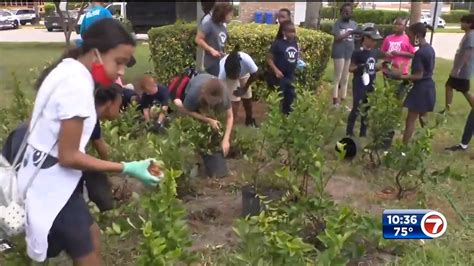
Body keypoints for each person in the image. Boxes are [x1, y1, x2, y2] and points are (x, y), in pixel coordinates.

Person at [17, 19, 159, 264]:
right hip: (53, 190)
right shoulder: (77, 87)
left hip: (45, 180)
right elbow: (69, 156)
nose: (122, 72)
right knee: (88, 255)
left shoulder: (66, 68)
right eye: (119, 62)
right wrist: (127, 167)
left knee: (91, 235)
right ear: (96, 54)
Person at [385, 23, 436, 144]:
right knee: (423, 116)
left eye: (410, 37)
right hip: (429, 86)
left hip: (421, 88)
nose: (409, 40)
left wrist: (399, 76)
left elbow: (418, 75)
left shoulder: (420, 53)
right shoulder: (429, 48)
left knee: (411, 119)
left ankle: (404, 145)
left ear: (417, 36)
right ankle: (426, 141)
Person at [82, 84, 124, 213]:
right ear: (110, 104)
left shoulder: (89, 112)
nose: (119, 110)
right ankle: (107, 210)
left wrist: (106, 167)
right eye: (119, 106)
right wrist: (109, 169)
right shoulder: (89, 117)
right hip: (59, 160)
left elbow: (98, 143)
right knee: (94, 175)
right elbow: (100, 146)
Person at [173, 74, 233, 156]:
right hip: (193, 95)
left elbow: (230, 116)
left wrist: (226, 139)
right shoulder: (194, 92)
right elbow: (186, 111)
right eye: (210, 101)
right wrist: (208, 120)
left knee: (212, 118)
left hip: (206, 96)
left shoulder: (224, 93)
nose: (212, 104)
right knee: (181, 109)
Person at [346, 27, 383, 137]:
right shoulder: (357, 52)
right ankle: (349, 131)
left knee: (367, 108)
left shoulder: (375, 52)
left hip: (370, 83)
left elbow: (373, 67)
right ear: (365, 38)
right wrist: (361, 67)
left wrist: (379, 67)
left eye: (376, 40)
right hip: (359, 83)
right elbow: (351, 68)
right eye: (372, 39)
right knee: (357, 106)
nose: (374, 42)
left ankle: (363, 133)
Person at [218, 45, 259, 127]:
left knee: (247, 97)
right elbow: (220, 88)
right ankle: (232, 122)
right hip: (229, 77)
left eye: (235, 76)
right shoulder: (222, 72)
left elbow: (255, 74)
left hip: (244, 73)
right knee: (235, 99)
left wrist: (245, 88)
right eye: (233, 76)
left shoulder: (246, 60)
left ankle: (249, 120)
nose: (235, 78)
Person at [442, 14, 474, 113]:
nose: (461, 24)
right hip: (461, 68)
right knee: (450, 86)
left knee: (463, 90)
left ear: (469, 24)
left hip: (463, 69)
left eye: (463, 22)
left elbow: (468, 54)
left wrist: (458, 68)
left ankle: (447, 109)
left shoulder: (471, 36)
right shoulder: (468, 34)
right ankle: (447, 109)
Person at [267, 20, 299, 115]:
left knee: (290, 98)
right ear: (283, 32)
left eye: (293, 31)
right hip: (280, 77)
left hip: (290, 76)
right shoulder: (278, 43)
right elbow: (269, 59)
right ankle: (276, 118)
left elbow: (294, 56)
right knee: (279, 99)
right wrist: (276, 70)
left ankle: (287, 118)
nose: (292, 34)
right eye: (290, 31)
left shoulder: (294, 43)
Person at [331, 3, 359, 107]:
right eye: (343, 12)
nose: (345, 14)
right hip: (339, 52)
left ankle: (343, 99)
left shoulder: (354, 24)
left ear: (351, 13)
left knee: (346, 77)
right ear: (341, 13)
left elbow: (356, 38)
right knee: (337, 76)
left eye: (348, 12)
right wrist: (348, 33)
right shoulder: (337, 24)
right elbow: (337, 38)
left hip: (349, 52)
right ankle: (335, 100)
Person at [195, 2, 234, 76]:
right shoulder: (209, 23)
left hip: (221, 60)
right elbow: (198, 39)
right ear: (223, 14)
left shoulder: (223, 25)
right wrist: (211, 50)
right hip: (211, 63)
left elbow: (220, 43)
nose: (231, 18)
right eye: (230, 15)